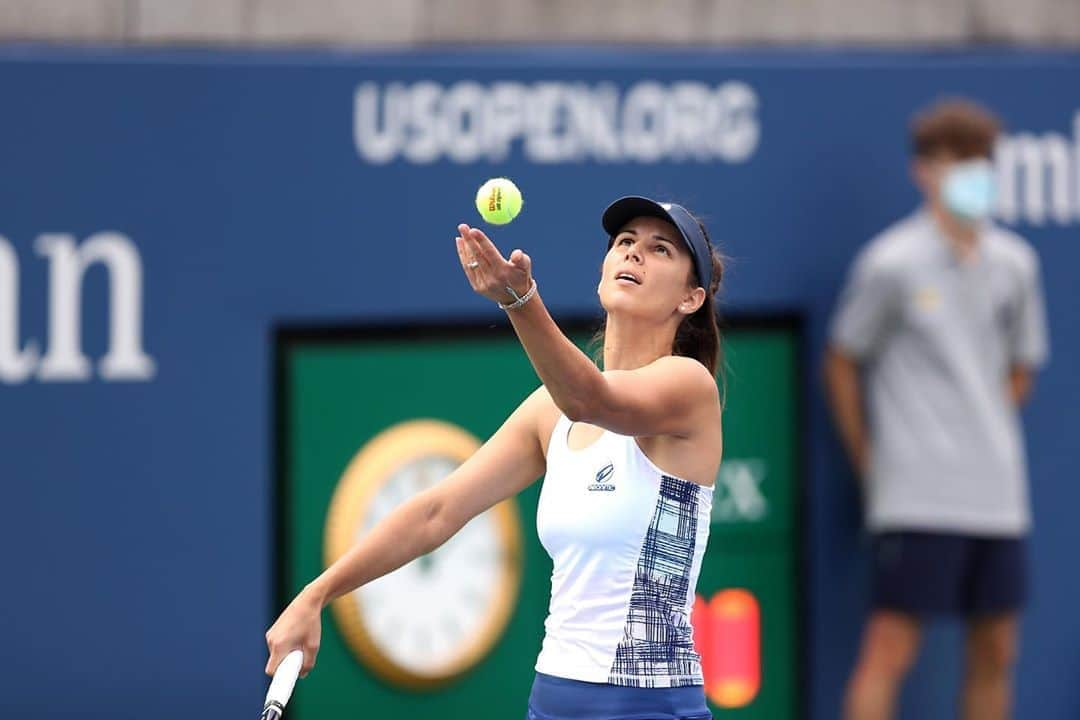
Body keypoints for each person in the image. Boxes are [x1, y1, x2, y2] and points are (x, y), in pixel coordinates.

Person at [265, 196, 725, 720]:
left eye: (659, 248)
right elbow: (438, 512)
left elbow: (591, 400)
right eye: (624, 243)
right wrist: (317, 594)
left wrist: (520, 299)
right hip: (551, 703)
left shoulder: (688, 386)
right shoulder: (548, 413)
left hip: (650, 708)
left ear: (690, 298)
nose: (634, 254)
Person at [825, 99, 1050, 720]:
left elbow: (1021, 367)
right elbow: (842, 360)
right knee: (890, 647)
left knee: (996, 649)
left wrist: (979, 423)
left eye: (981, 161)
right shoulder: (890, 264)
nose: (974, 175)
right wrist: (872, 458)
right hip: (915, 495)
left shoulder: (1016, 265)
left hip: (998, 495)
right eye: (958, 162)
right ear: (924, 172)